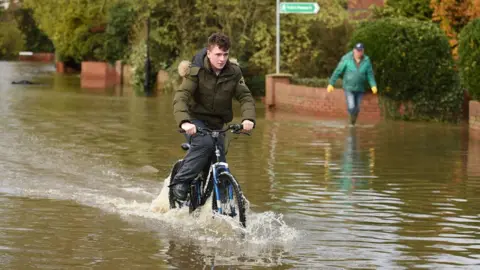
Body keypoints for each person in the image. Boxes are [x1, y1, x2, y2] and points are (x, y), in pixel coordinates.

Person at [171, 32, 256, 202]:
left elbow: (245, 97)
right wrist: (185, 122)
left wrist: (248, 119)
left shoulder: (234, 73)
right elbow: (181, 97)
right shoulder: (196, 71)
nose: (222, 59)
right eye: (218, 54)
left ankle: (223, 203)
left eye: (225, 54)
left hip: (218, 124)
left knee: (219, 159)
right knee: (205, 143)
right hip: (195, 121)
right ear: (209, 53)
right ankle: (181, 181)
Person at [327, 43, 378, 126]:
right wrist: (331, 83)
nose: (359, 53)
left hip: (360, 88)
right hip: (349, 88)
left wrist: (373, 85)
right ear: (354, 50)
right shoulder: (346, 59)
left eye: (361, 51)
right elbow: (338, 71)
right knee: (351, 106)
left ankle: (353, 123)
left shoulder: (366, 60)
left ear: (363, 51)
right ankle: (351, 123)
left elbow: (370, 74)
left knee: (357, 109)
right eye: (357, 51)